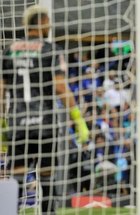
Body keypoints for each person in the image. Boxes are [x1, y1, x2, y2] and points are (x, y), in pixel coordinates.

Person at [0, 5, 89, 214]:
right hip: (45, 126)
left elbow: (1, 91)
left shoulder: (9, 50)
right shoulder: (50, 50)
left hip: (18, 124)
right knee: (47, 179)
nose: (50, 25)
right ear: (41, 22)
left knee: (18, 179)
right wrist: (78, 119)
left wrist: (2, 121)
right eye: (48, 21)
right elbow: (60, 87)